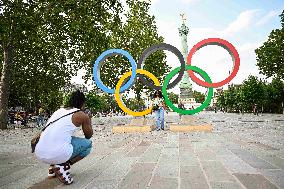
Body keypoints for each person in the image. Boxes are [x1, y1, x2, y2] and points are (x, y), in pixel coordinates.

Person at [35, 90, 93, 185]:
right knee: (88, 145)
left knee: (65, 139)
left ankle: (52, 168)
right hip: (57, 152)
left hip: (40, 152)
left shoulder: (59, 111)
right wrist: (88, 118)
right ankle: (62, 165)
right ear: (83, 103)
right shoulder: (82, 115)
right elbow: (88, 135)